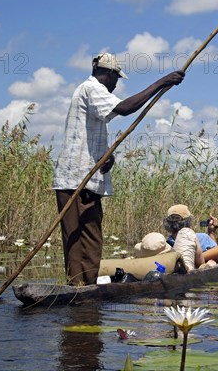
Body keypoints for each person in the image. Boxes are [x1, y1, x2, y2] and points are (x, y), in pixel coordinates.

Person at [53, 53, 185, 285]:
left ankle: (86, 286)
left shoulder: (90, 93)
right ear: (108, 74)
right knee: (78, 239)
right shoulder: (91, 89)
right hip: (76, 179)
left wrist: (107, 157)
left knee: (90, 236)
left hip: (85, 176)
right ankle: (78, 286)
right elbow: (124, 108)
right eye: (116, 79)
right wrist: (161, 83)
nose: (116, 85)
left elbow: (89, 135)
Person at [163, 204, 218, 271]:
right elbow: (216, 249)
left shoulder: (167, 243)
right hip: (203, 261)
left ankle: (192, 257)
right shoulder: (199, 237)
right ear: (188, 221)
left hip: (187, 262)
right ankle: (195, 257)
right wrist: (212, 232)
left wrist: (211, 232)